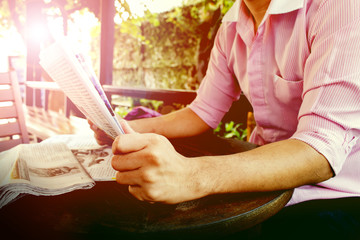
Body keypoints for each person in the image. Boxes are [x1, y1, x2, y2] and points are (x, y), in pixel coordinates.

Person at [89, 0, 360, 238]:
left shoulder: (337, 7)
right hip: (261, 185)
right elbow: (202, 112)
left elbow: (320, 149)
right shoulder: (230, 27)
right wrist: (129, 128)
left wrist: (190, 175)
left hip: (334, 194)